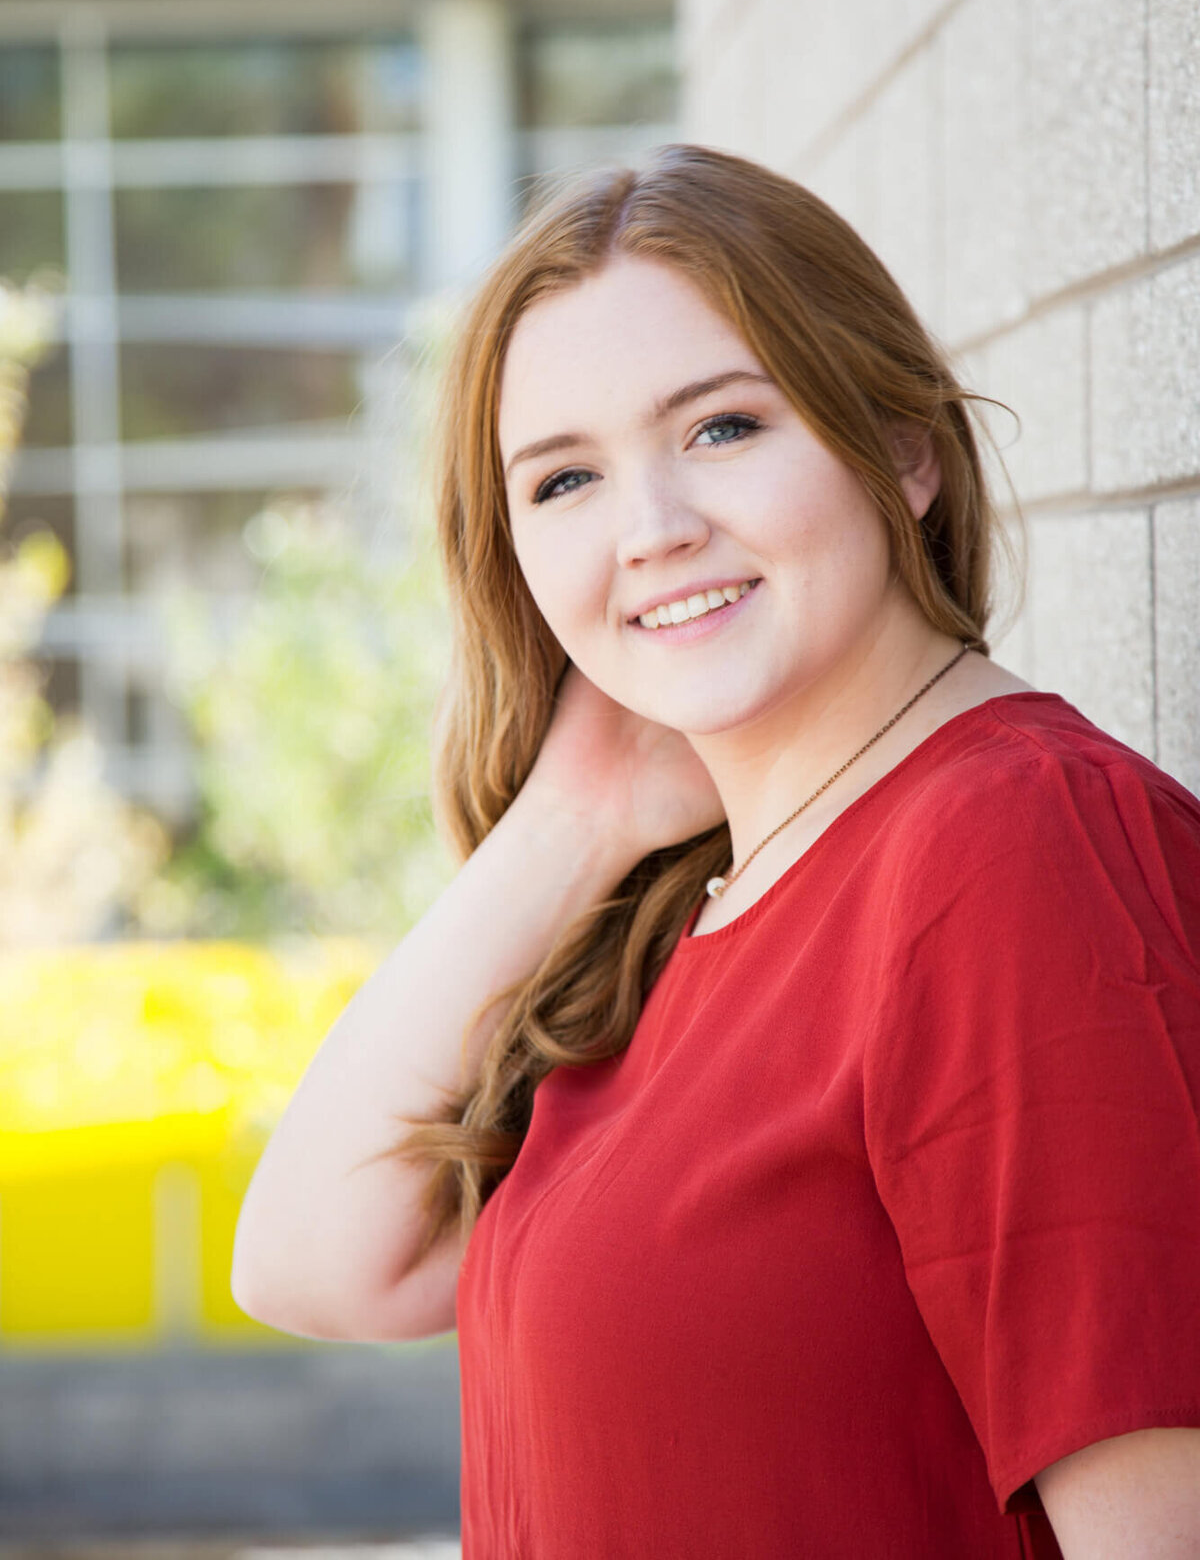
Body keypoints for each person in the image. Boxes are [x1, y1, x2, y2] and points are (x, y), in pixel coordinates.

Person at [231, 145, 1200, 1559]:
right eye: (562, 483)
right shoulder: (688, 916)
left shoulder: (1018, 849)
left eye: (723, 429)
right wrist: (575, 822)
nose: (653, 532)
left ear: (905, 451)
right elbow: (315, 1261)